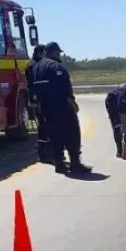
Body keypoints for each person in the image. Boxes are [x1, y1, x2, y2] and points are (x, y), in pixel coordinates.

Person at [30, 42, 91, 174]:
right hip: (62, 109)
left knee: (54, 137)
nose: (59, 55)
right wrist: (74, 105)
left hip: (46, 109)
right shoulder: (57, 67)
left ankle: (60, 164)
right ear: (53, 52)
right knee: (72, 135)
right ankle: (75, 163)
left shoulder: (36, 68)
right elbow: (66, 91)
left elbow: (34, 88)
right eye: (58, 53)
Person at [25, 44, 57, 165]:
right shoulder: (34, 65)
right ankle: (45, 154)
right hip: (38, 101)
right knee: (44, 127)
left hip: (37, 100)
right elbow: (35, 84)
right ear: (40, 53)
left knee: (43, 127)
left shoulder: (33, 63)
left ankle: (45, 154)